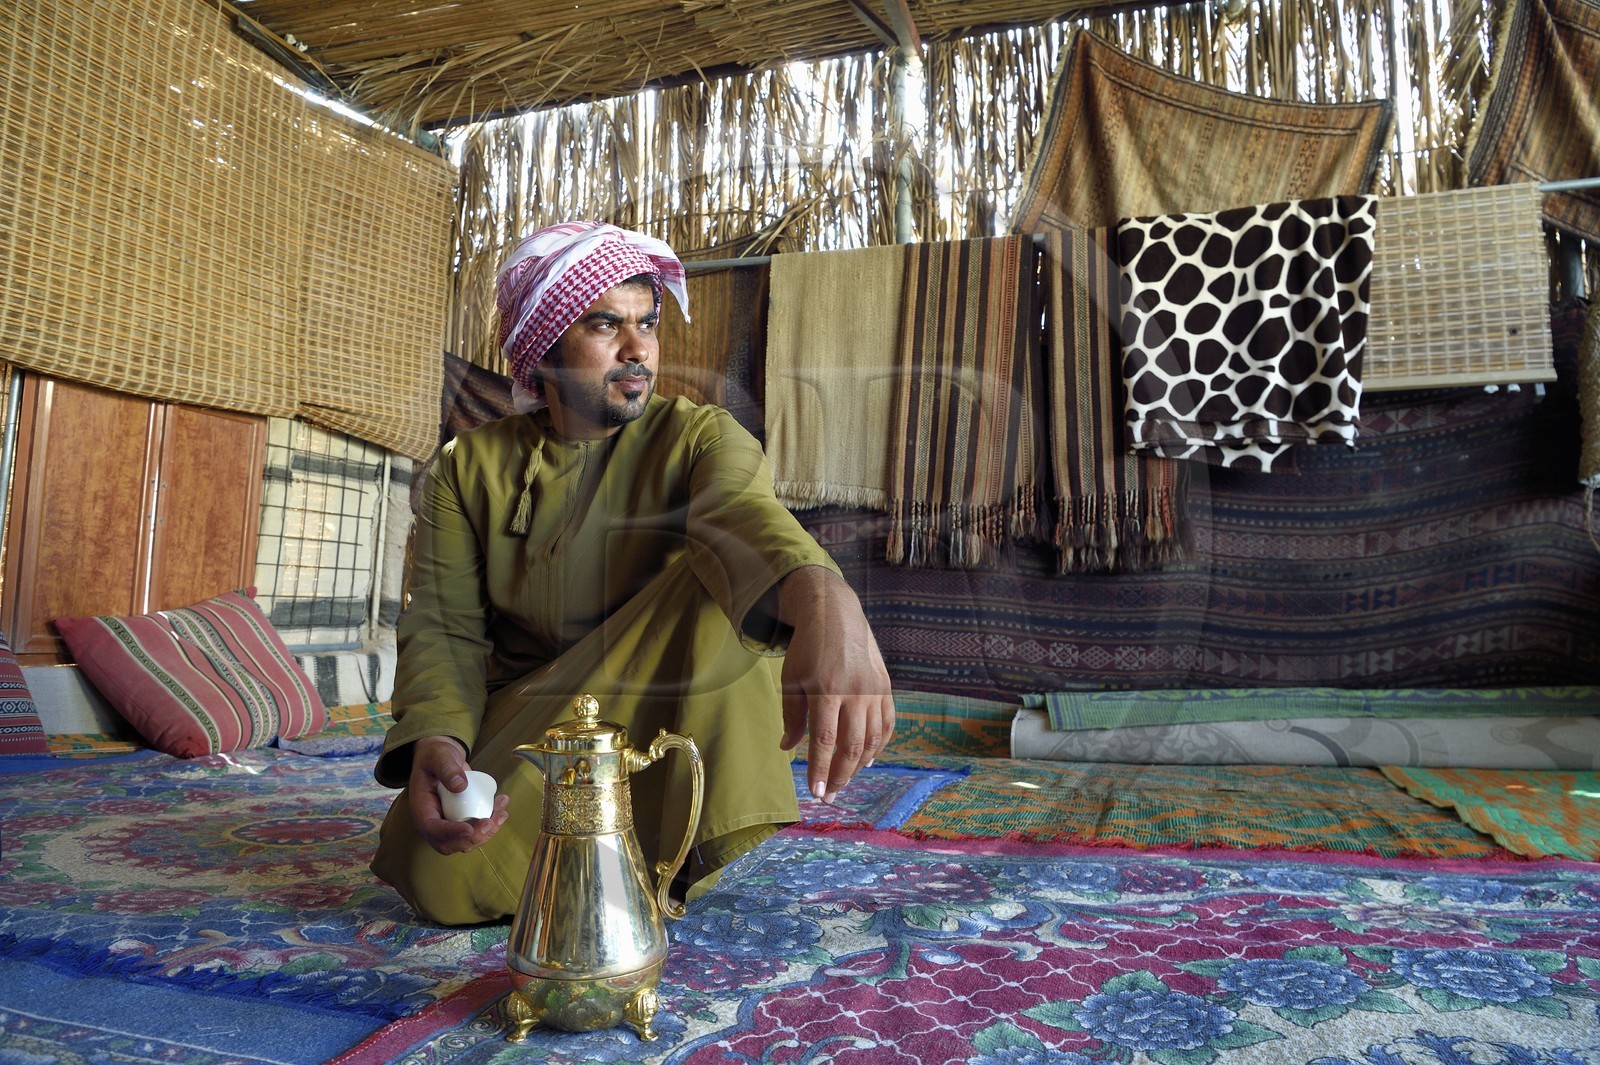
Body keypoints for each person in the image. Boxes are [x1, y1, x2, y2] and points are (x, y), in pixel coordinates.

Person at [370, 220, 895, 925]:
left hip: (662, 710)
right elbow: (444, 626)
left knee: (715, 583)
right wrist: (439, 739)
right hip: (540, 726)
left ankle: (677, 848)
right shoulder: (467, 469)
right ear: (545, 346)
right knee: (439, 868)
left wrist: (828, 598)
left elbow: (747, 522)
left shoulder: (698, 436)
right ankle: (614, 858)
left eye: (647, 323)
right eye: (604, 324)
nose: (637, 348)